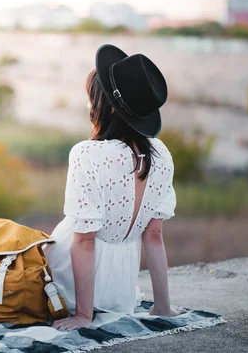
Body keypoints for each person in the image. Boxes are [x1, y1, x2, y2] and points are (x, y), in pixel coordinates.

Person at [46, 44, 185, 331]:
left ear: (107, 107)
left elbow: (84, 240)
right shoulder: (161, 154)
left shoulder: (87, 153)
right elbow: (154, 236)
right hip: (120, 293)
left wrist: (83, 316)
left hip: (69, 284)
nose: (88, 106)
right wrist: (163, 306)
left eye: (91, 99)